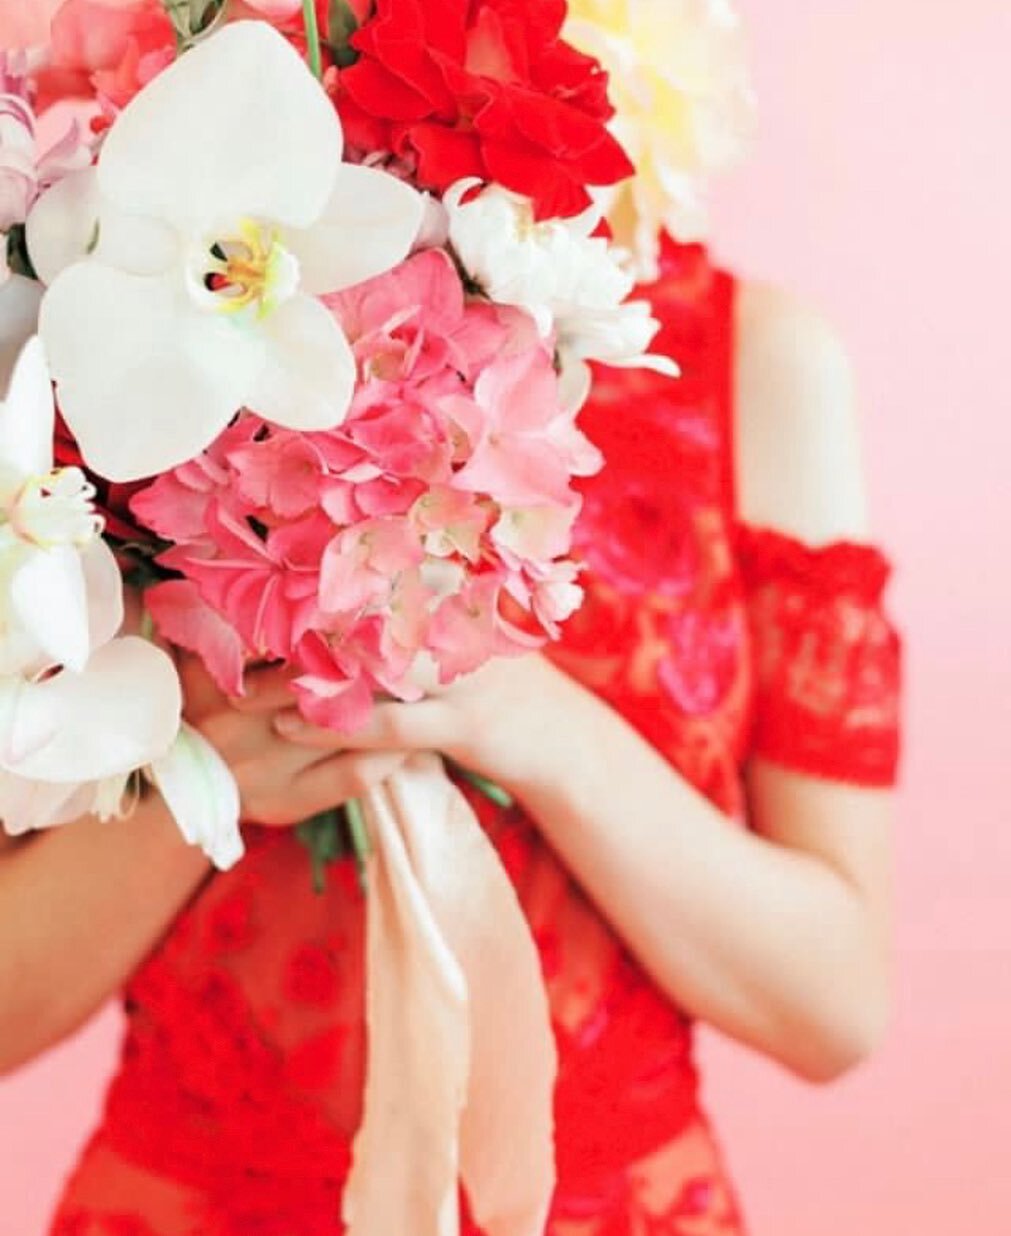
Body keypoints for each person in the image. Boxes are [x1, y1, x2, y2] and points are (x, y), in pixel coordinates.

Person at [0, 233, 903, 1234]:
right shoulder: (94, 333)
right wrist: (194, 776)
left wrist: (538, 725)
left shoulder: (751, 358)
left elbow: (834, 1007)